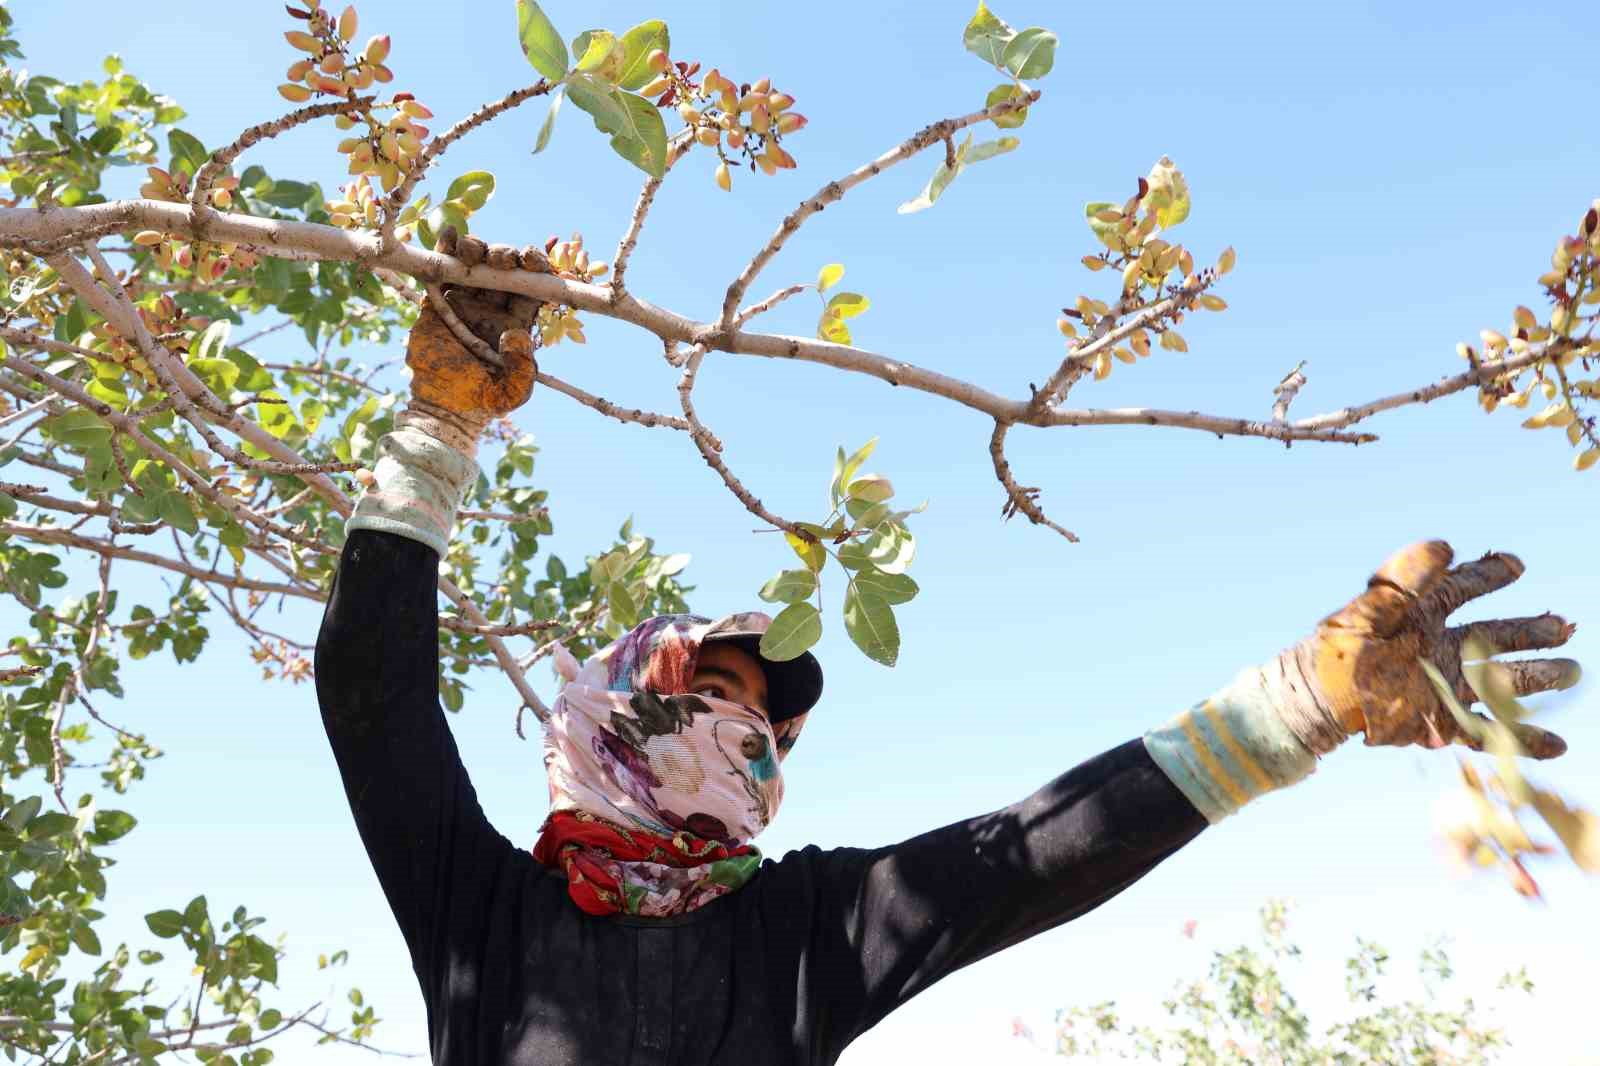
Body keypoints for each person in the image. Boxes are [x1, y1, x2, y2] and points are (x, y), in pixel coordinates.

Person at [314, 273, 1582, 1066]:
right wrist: (439, 429)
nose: (738, 730)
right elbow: (374, 695)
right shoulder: (480, 915)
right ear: (616, 696)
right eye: (712, 688)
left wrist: (1306, 699)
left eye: (765, 726)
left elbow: (1032, 855)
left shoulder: (807, 931)